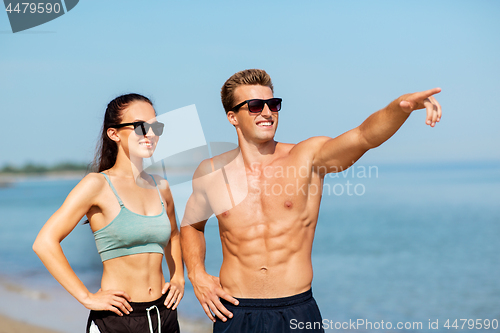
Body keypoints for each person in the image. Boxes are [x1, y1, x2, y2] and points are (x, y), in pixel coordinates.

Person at [180, 69, 442, 333]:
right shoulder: (211, 172)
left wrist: (401, 107)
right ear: (232, 117)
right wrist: (197, 275)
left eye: (273, 104)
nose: (267, 113)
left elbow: (364, 136)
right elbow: (191, 225)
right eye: (255, 106)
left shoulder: (306, 157)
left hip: (296, 310)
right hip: (235, 312)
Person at [33, 93, 184, 333]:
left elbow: (174, 235)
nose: (151, 133)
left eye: (156, 126)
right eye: (141, 126)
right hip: (117, 319)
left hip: (163, 315)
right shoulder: (97, 185)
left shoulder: (161, 187)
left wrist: (178, 277)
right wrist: (86, 297)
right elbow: (44, 242)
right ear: (114, 134)